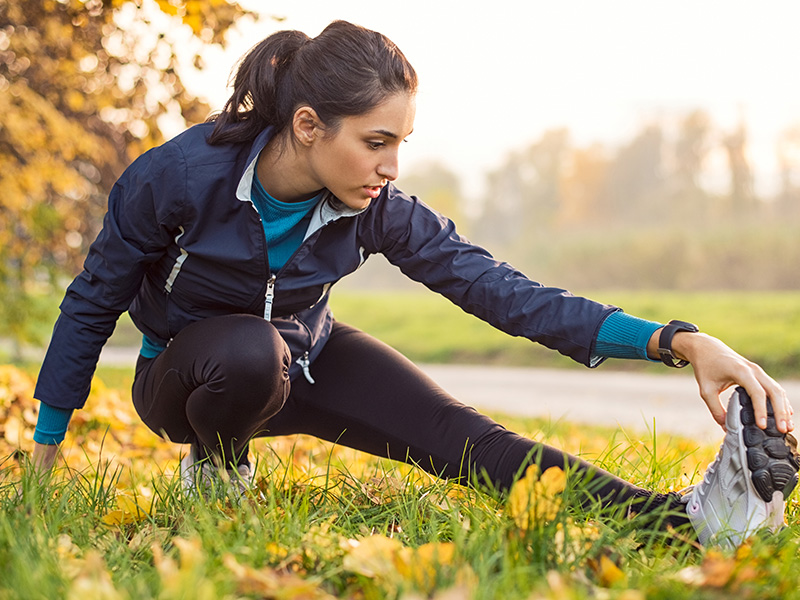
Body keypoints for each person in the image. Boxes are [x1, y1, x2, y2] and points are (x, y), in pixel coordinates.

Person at [29, 20, 798, 548]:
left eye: (401, 142)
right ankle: (217, 466)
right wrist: (48, 448)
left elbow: (505, 293)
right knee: (249, 353)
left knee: (469, 440)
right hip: (185, 377)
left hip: (305, 354)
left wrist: (676, 339)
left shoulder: (377, 209)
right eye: (376, 142)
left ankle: (687, 520)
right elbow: (92, 300)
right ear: (306, 127)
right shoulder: (177, 178)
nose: (392, 166)